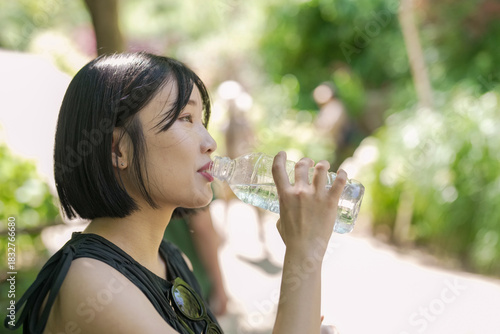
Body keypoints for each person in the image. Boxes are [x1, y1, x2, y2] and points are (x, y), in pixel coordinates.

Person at [4, 52, 347, 334]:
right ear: (117, 149)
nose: (211, 143)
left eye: (202, 121)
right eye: (185, 118)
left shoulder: (171, 259)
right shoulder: (92, 284)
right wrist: (305, 251)